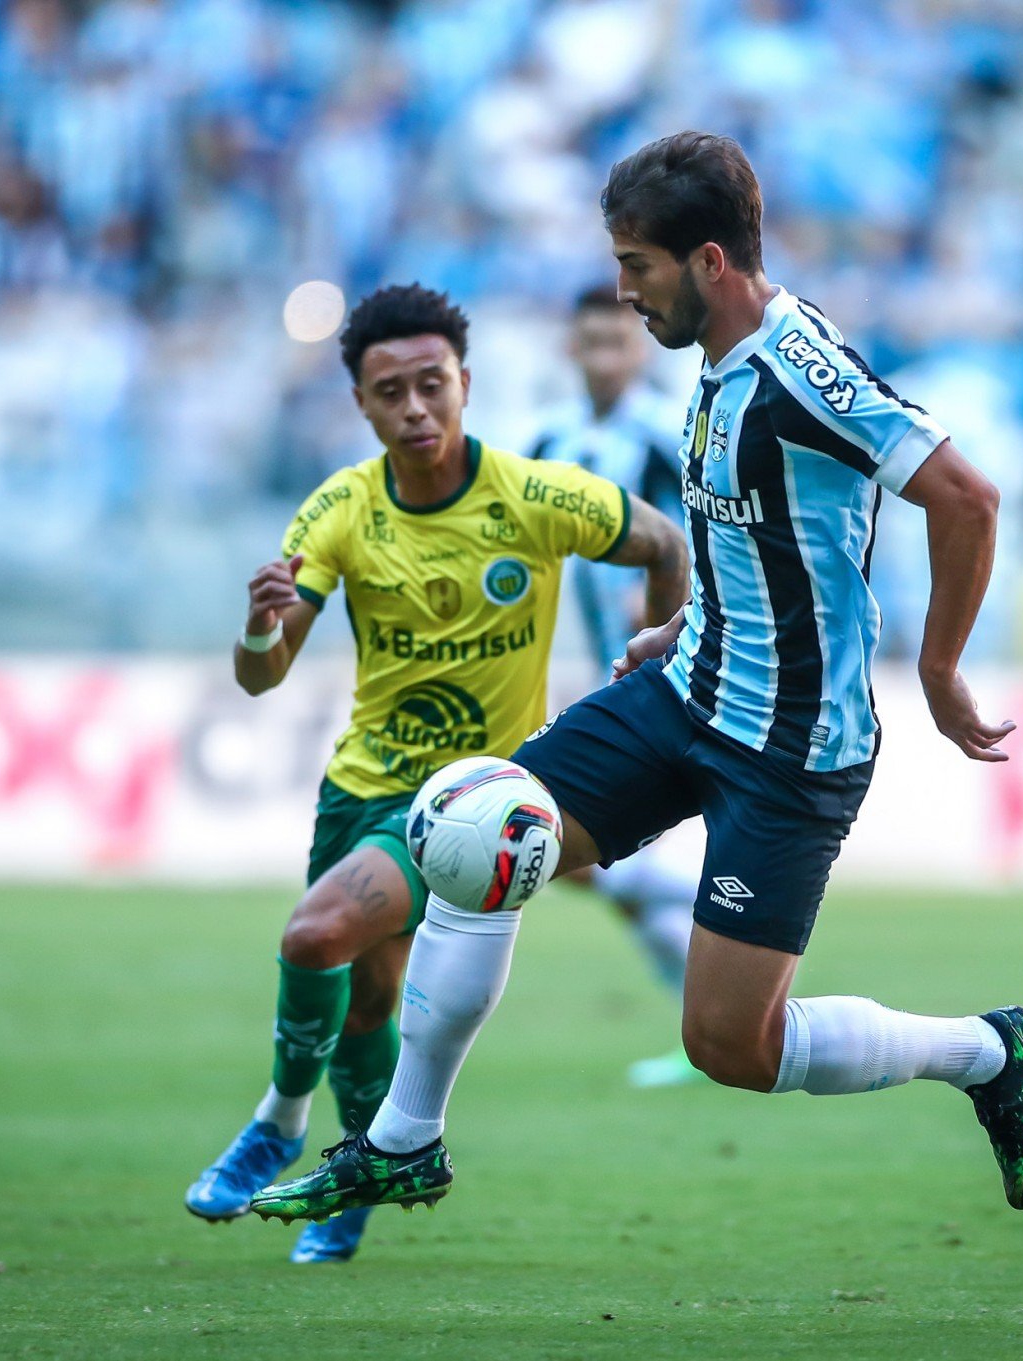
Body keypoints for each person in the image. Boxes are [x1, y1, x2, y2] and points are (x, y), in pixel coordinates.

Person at [249, 133, 1023, 1227]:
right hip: (688, 688)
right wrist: (683, 622)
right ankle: (404, 1139)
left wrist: (942, 667)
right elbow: (764, 531)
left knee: (730, 1044)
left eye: (638, 266)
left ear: (710, 262)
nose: (624, 292)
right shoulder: (719, 364)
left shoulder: (798, 370)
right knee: (478, 826)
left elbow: (967, 496)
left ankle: (982, 1051)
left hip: (792, 744)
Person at [183, 283, 687, 1263]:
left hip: (468, 805)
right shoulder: (341, 506)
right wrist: (257, 624)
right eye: (390, 393)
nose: (415, 408)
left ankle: (279, 1122)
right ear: (363, 405)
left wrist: (650, 648)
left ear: (466, 383)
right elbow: (261, 675)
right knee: (368, 1003)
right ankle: (359, 1186)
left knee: (313, 932)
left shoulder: (537, 495)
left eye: (432, 384)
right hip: (361, 788)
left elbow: (665, 544)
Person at [526, 284, 704, 1089]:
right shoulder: (550, 441)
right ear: (571, 348)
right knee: (595, 868)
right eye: (590, 342)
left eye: (617, 343)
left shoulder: (667, 435)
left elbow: (713, 535)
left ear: (640, 350)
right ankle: (706, 1014)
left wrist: (671, 600)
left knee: (575, 853)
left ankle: (732, 921)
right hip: (604, 672)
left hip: (679, 671)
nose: (603, 358)